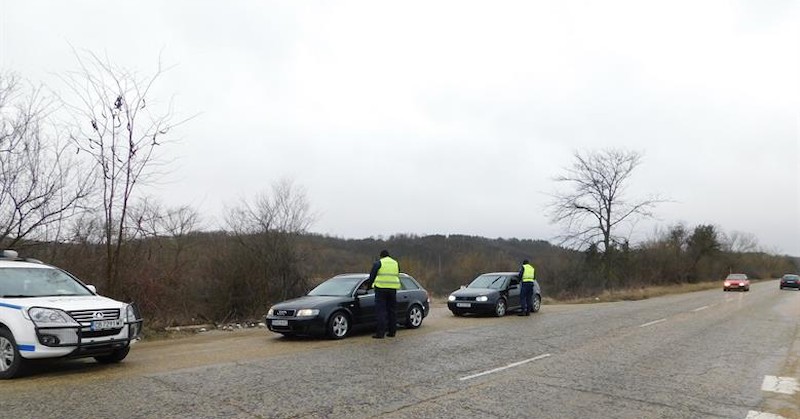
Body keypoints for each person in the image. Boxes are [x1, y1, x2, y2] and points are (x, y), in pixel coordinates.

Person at [366, 249, 400, 338]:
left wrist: (368, 287)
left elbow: (372, 276)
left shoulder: (379, 263)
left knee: (381, 311)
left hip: (381, 289)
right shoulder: (395, 263)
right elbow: (397, 274)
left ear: (381, 256)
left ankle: (380, 333)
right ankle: (392, 332)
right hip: (393, 289)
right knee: (392, 311)